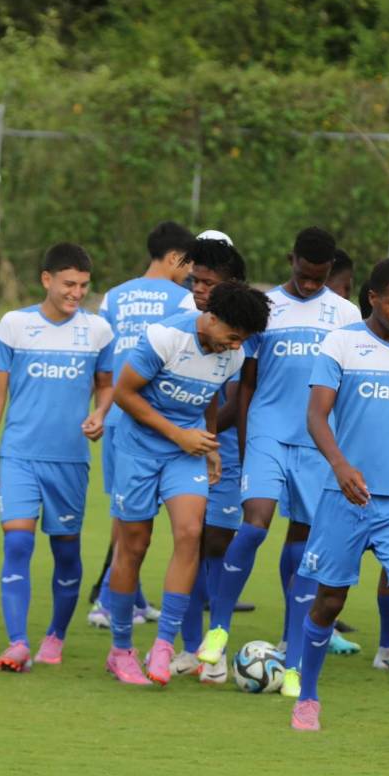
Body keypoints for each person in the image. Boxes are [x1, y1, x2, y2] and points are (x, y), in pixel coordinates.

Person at [198, 227, 362, 701]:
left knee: (305, 549)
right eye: (302, 274)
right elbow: (246, 383)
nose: (309, 284)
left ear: (330, 271)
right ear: (290, 260)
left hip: (316, 441)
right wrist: (248, 443)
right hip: (269, 430)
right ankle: (220, 629)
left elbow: (346, 387)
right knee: (255, 523)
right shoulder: (266, 307)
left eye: (319, 277)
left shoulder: (346, 315)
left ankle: (292, 662)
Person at [289, 258, 389, 742]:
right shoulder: (341, 343)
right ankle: (308, 696)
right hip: (345, 497)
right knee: (329, 601)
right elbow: (315, 416)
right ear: (371, 297)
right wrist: (341, 466)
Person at [104, 281, 270, 686]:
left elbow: (208, 396)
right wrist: (178, 435)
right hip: (139, 449)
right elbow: (123, 395)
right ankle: (121, 649)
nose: (235, 346)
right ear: (211, 318)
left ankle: (163, 645)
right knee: (134, 546)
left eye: (243, 340)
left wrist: (210, 443)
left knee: (190, 532)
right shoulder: (166, 338)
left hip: (186, 453)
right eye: (232, 336)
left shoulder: (233, 355)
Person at [0, 243, 114, 672]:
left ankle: (55, 635)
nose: (76, 293)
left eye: (84, 286)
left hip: (70, 461)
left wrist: (100, 412)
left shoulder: (98, 331)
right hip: (19, 454)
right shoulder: (14, 325)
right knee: (17, 541)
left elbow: (106, 385)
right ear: (46, 279)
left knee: (66, 554)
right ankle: (17, 642)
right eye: (69, 284)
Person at [88, 221, 196, 627]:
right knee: (131, 520)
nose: (189, 273)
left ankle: (132, 598)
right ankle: (105, 602)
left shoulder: (114, 296)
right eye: (187, 264)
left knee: (126, 514)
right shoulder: (184, 302)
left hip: (117, 413)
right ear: (174, 258)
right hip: (158, 419)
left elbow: (101, 357)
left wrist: (98, 409)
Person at [169, 230, 248, 684]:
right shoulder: (184, 323)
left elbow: (237, 397)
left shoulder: (246, 323)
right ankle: (191, 645)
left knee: (217, 542)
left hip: (227, 445)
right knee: (192, 540)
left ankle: (214, 645)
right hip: (191, 443)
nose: (198, 290)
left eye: (207, 282)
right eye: (194, 281)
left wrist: (207, 437)